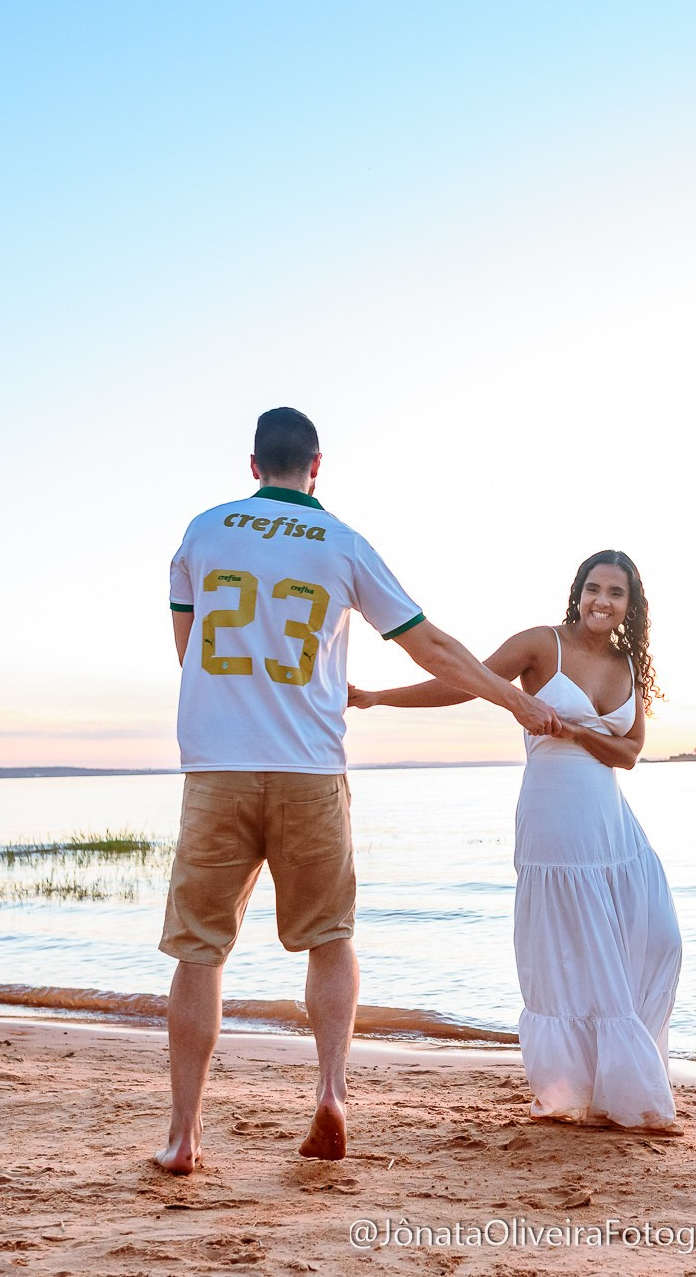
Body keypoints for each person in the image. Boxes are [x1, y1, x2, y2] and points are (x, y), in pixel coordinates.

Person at [155, 406, 563, 1174]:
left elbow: (189, 650)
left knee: (199, 950)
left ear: (252, 466)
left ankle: (183, 1135)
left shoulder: (203, 532)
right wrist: (510, 698)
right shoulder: (342, 542)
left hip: (217, 767)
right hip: (311, 767)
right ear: (316, 466)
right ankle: (332, 1091)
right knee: (331, 937)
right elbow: (430, 644)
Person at [350, 550, 682, 1128]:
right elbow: (462, 683)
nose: (602, 601)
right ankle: (577, 1090)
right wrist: (378, 697)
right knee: (577, 952)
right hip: (554, 820)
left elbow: (628, 754)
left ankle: (615, 1076)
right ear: (577, 592)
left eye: (616, 593)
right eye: (593, 588)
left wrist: (576, 730)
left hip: (611, 821)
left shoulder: (629, 665)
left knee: (660, 938)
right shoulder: (540, 645)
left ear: (631, 606)